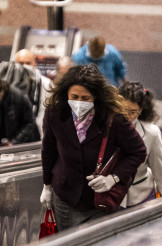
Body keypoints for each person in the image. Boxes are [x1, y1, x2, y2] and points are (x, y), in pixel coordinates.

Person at [40, 65, 147, 231]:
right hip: (65, 195)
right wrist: (46, 186)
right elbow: (49, 150)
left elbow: (138, 151)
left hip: (99, 200)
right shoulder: (55, 114)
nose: (79, 103)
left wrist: (113, 178)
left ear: (96, 97)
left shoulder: (113, 119)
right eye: (74, 97)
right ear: (66, 94)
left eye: (85, 98)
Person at [118, 81, 162, 208]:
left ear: (140, 111)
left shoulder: (151, 132)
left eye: (132, 112)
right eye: (123, 111)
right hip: (111, 198)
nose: (127, 117)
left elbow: (160, 170)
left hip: (141, 197)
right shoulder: (105, 127)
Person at [0, 75, 40, 146]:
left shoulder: (19, 97)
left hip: (20, 144)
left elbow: (30, 123)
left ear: (2, 91)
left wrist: (14, 142)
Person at [0, 49, 45, 122]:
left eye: (28, 63)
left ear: (34, 64)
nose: (24, 66)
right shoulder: (5, 80)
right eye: (20, 63)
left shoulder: (44, 83)